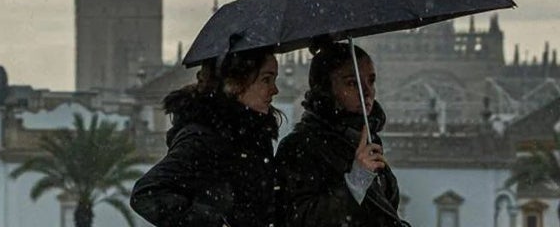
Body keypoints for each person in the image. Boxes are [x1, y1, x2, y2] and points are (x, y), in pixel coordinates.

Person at [130, 50, 283, 227]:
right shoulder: (203, 138)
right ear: (234, 84)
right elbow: (146, 193)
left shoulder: (254, 136)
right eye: (266, 79)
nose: (275, 89)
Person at [275, 42, 410, 227]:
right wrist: (355, 183)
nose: (367, 92)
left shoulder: (363, 138)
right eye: (352, 83)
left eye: (371, 80)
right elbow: (301, 219)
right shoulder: (300, 147)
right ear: (326, 89)